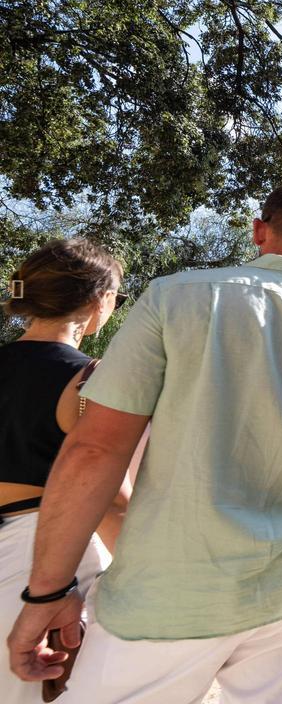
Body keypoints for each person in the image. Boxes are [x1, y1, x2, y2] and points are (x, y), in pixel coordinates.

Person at [6, 182, 282, 703]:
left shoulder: (176, 298)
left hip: (174, 586)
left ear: (259, 231)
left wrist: (47, 592)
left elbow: (95, 451)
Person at [1, 239, 130, 703]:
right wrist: (140, 576)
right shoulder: (92, 382)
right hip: (49, 563)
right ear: (100, 302)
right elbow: (111, 496)